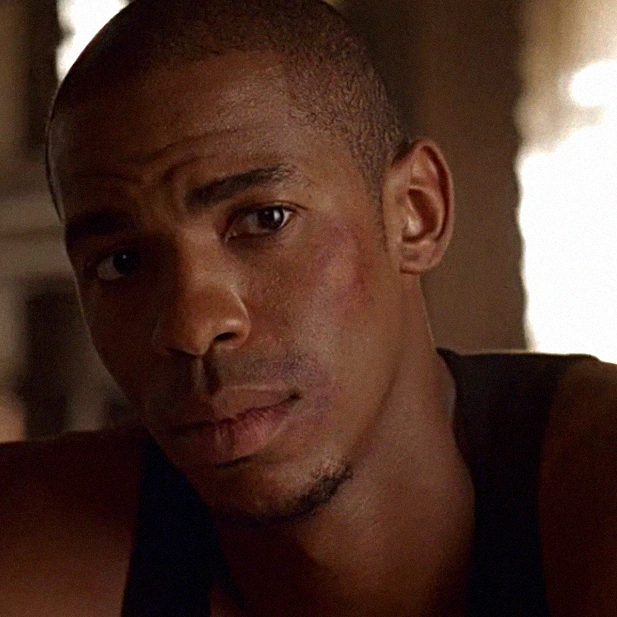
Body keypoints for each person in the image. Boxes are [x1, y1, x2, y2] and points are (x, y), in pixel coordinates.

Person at [1, 1, 616, 615]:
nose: (192, 326)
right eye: (121, 262)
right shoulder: (44, 539)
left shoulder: (590, 475)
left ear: (415, 212)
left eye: (264, 220)